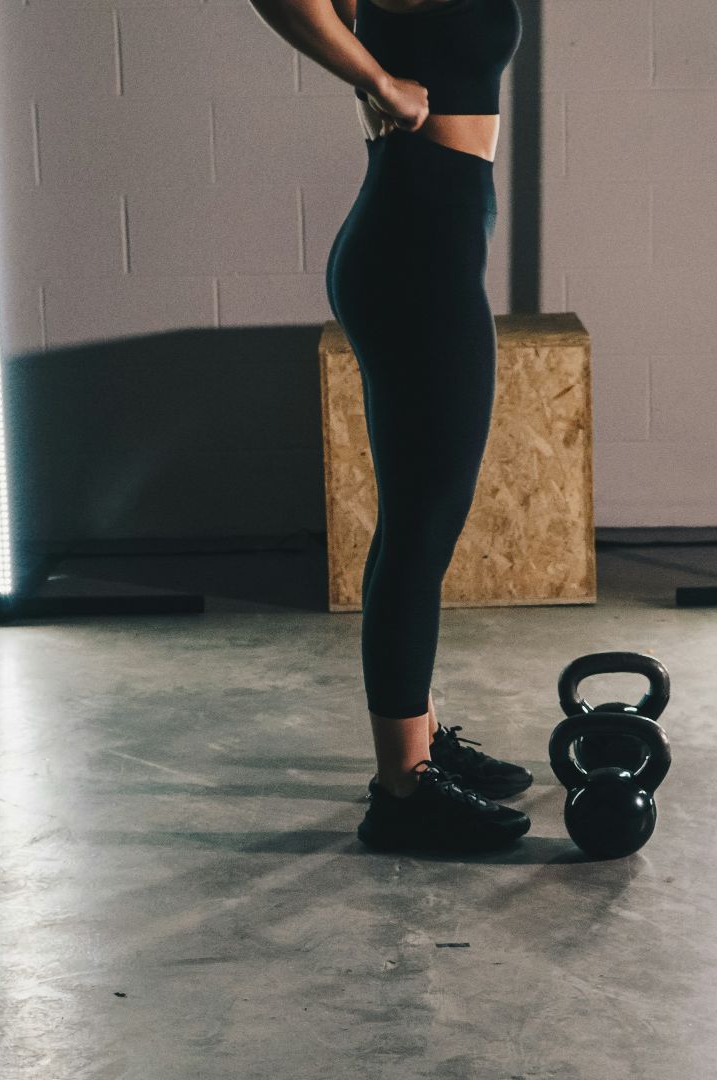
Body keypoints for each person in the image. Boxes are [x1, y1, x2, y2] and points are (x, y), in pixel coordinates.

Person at [245, 0, 533, 851]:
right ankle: (403, 792)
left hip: (426, 240)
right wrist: (373, 78)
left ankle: (420, 744)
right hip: (415, 253)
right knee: (420, 526)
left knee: (422, 518)